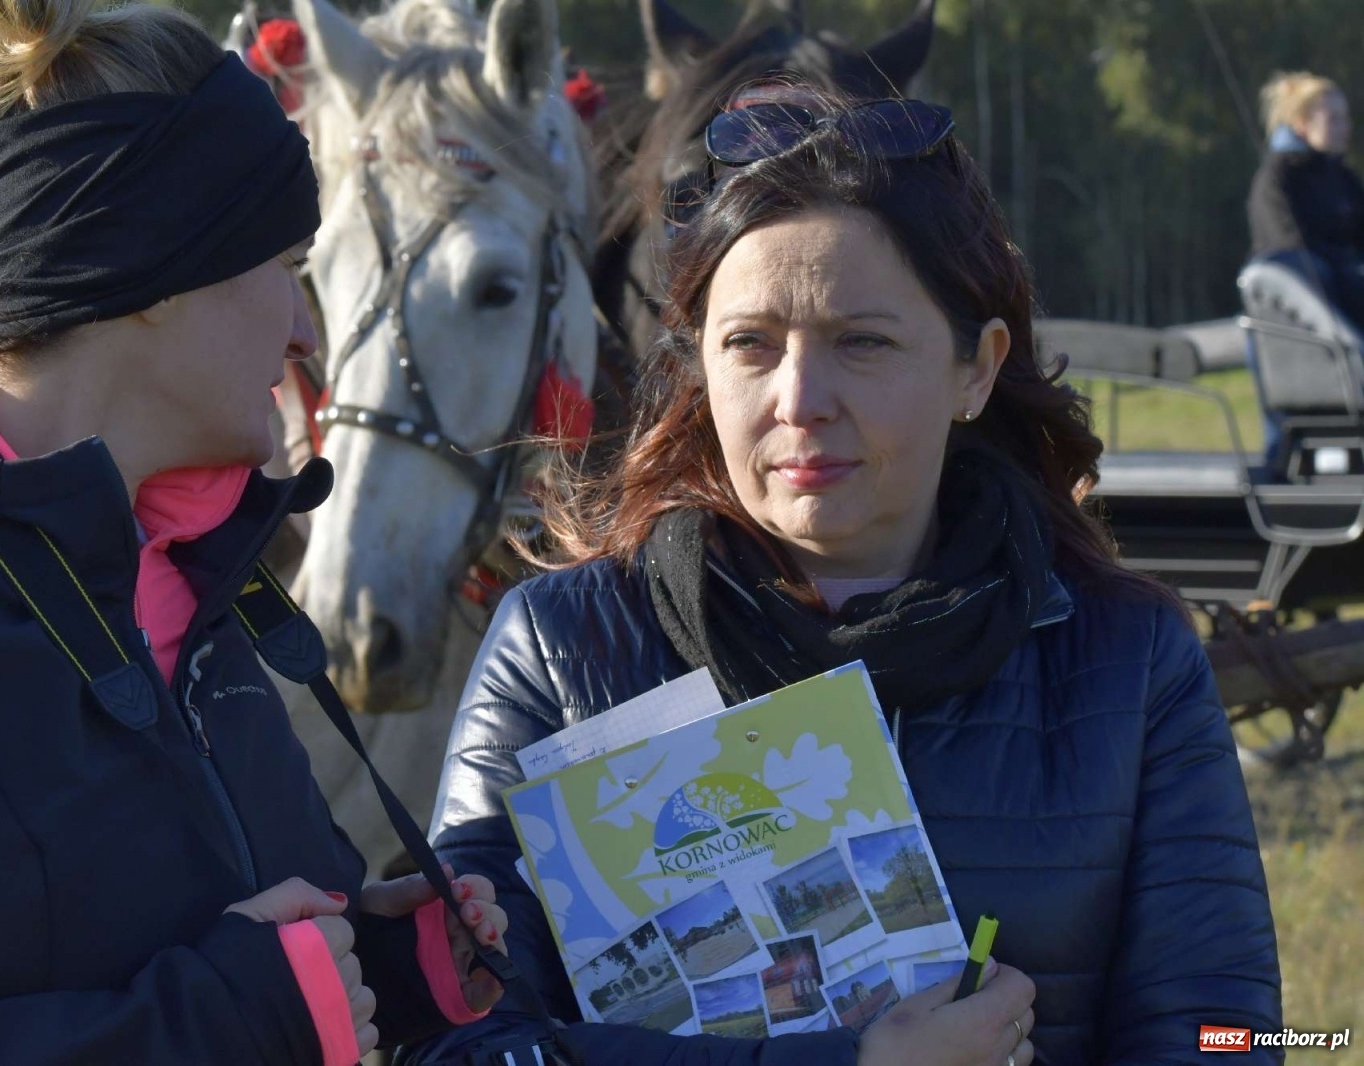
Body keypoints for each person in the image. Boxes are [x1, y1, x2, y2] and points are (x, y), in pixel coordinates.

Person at [403, 89, 1282, 1066]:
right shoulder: (562, 651)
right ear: (698, 360)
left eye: (862, 341)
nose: (799, 399)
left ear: (975, 369)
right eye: (750, 344)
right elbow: (454, 1047)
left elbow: (1228, 1031)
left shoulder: (1126, 659)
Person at [0, 0, 511, 1062]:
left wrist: (385, 973)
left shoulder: (203, 562)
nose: (308, 331)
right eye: (286, 267)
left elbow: (236, 950)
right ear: (160, 277)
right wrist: (219, 1021)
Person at [1249, 71, 1364, 330]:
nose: (1345, 129)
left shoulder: (1344, 177)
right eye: (1333, 120)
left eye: (1345, 119)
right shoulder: (1278, 178)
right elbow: (1288, 246)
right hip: (1310, 309)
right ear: (1301, 123)